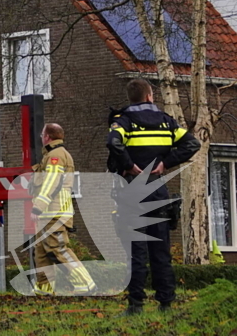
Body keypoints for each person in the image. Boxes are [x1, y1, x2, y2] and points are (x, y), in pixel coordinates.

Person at [107, 78, 200, 315]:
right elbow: (192, 144)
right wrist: (164, 164)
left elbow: (113, 142)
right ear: (150, 96)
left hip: (132, 192)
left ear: (131, 98)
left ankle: (135, 305)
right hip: (157, 190)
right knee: (160, 250)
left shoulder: (124, 121)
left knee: (136, 251)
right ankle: (166, 302)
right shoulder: (166, 123)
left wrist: (128, 165)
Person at [29, 123, 97, 296]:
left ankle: (86, 285)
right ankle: (44, 290)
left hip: (53, 213)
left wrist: (38, 207)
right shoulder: (54, 154)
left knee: (58, 249)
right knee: (42, 252)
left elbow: (51, 182)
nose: (41, 137)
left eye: (42, 134)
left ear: (47, 137)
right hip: (49, 213)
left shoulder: (56, 155)